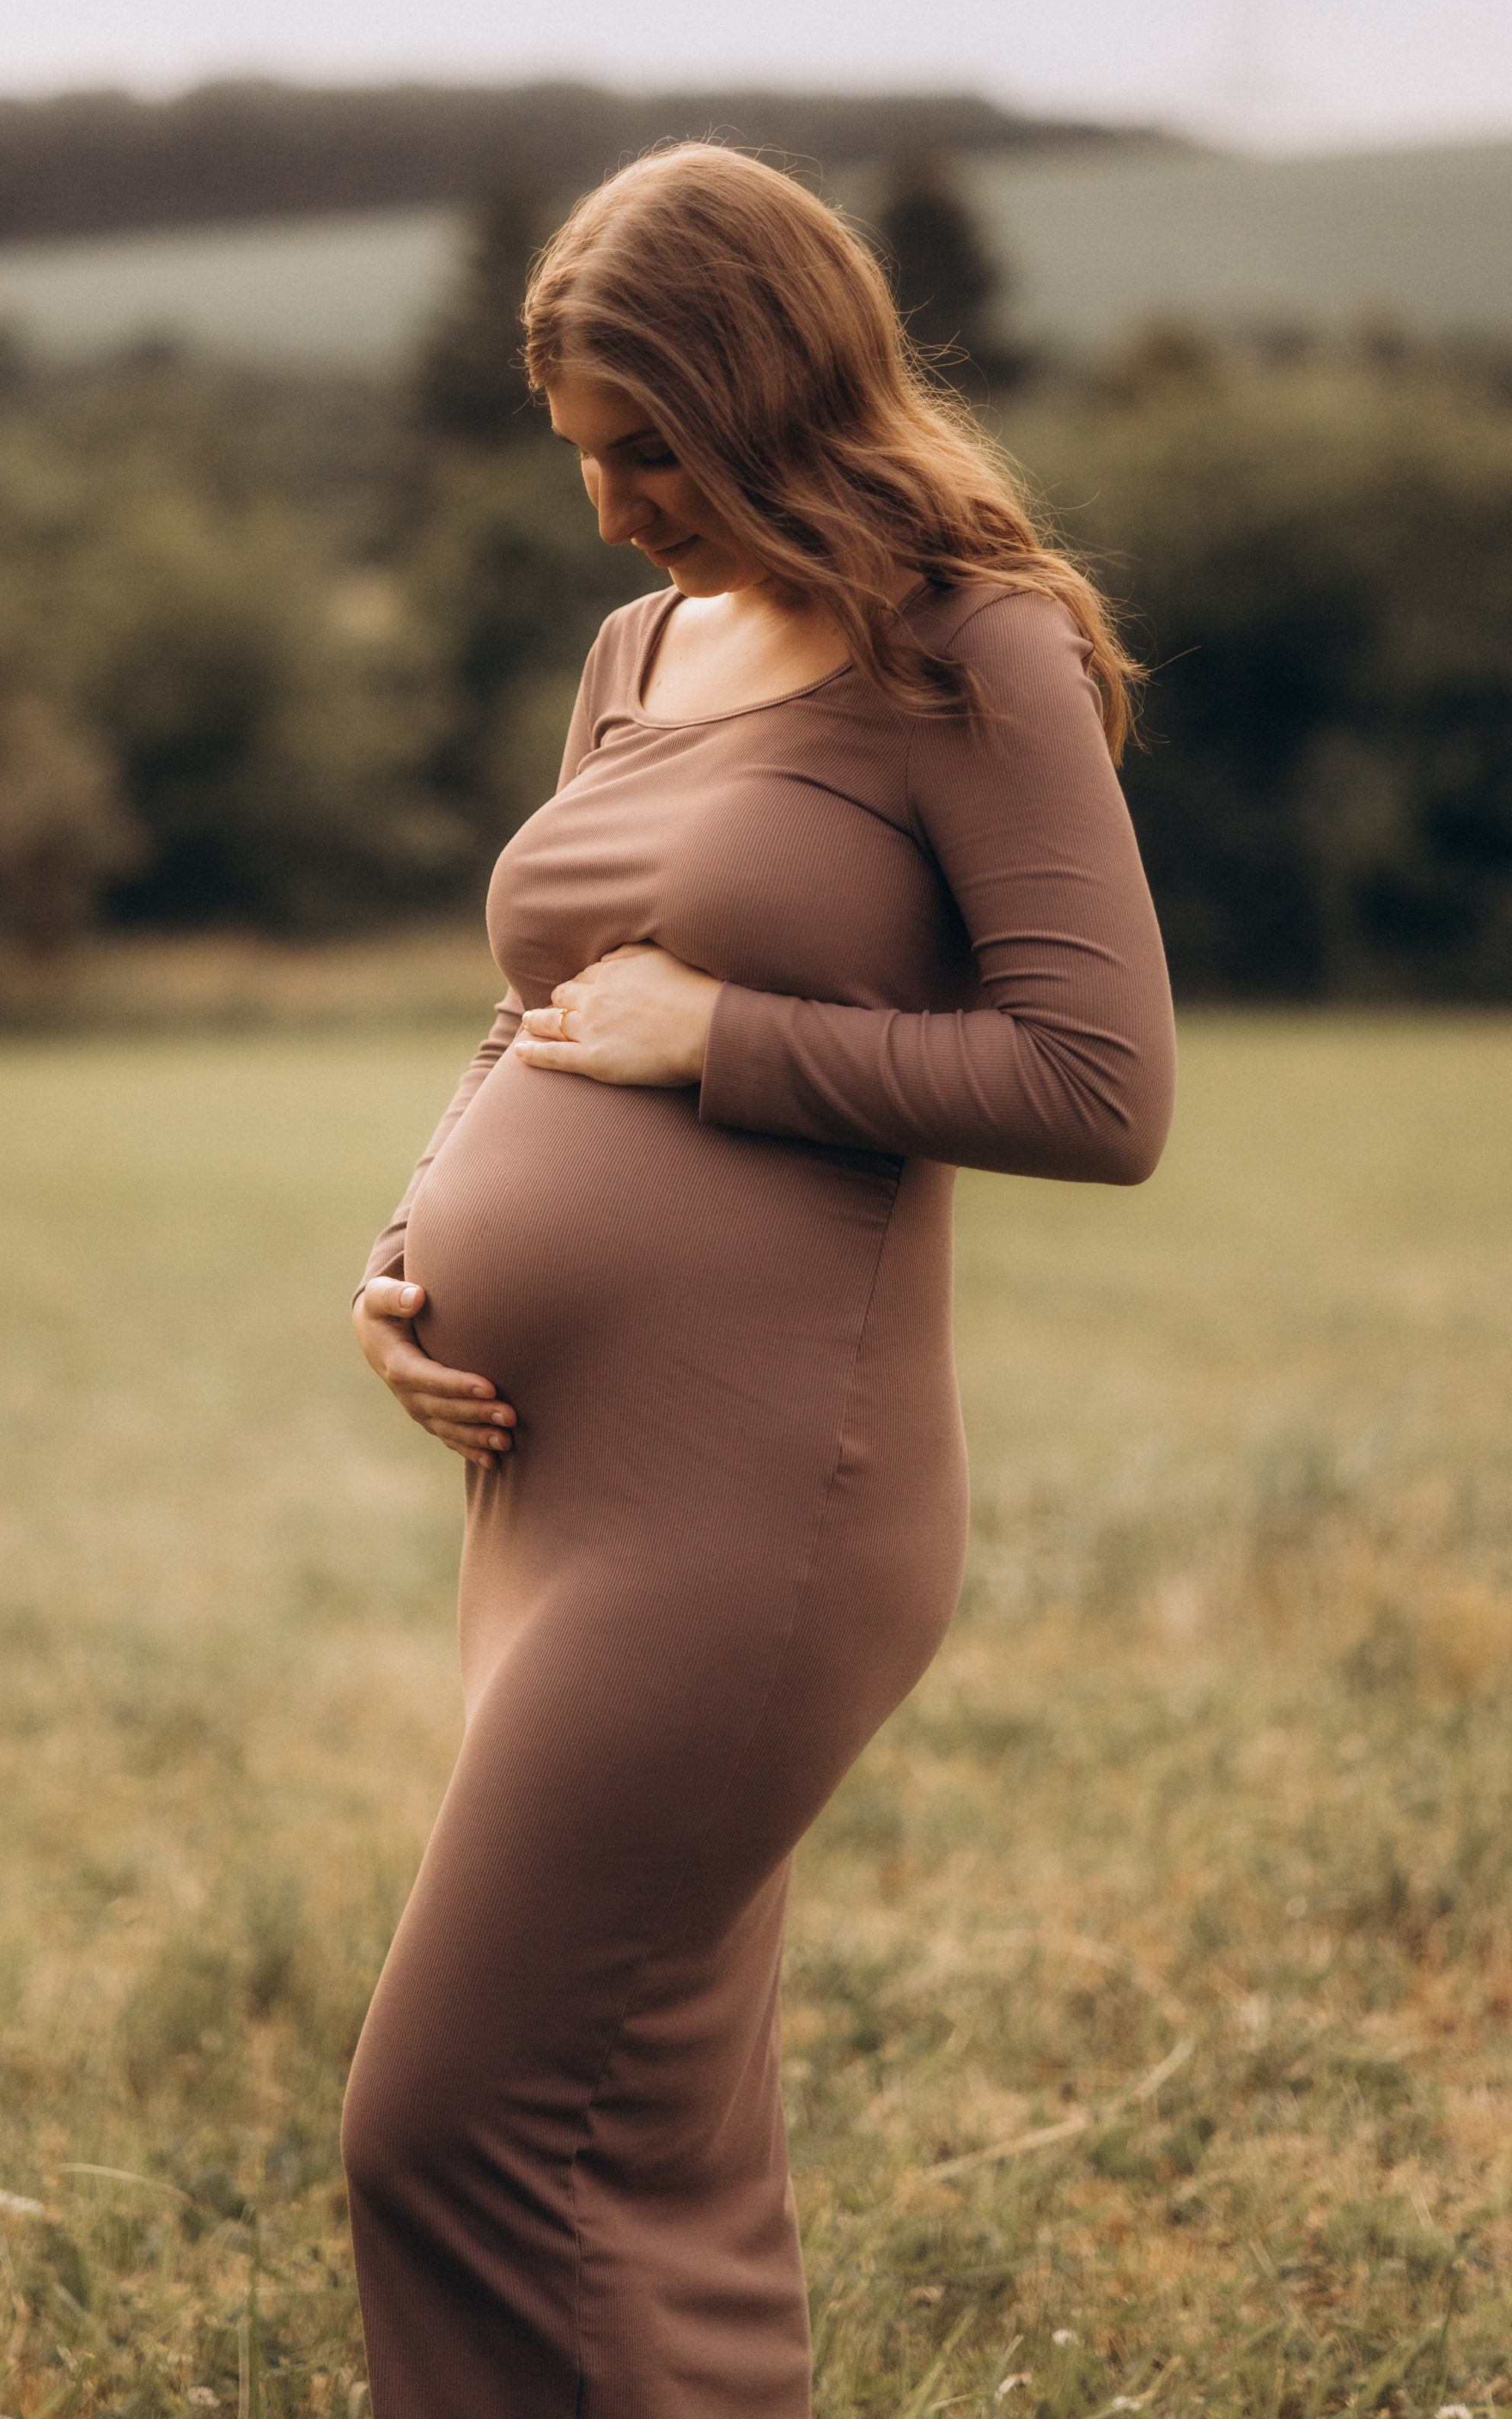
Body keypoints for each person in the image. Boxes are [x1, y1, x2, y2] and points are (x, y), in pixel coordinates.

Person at [341, 146, 1174, 2419]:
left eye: (653, 452)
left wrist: (732, 1038)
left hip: (758, 1508)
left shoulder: (966, 645)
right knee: (641, 2147)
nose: (610, 511)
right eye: (584, 459)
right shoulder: (639, 646)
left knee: (457, 2121)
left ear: (778, 397)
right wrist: (408, 1248)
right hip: (559, 1499)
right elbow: (535, 999)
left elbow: (1103, 1086)